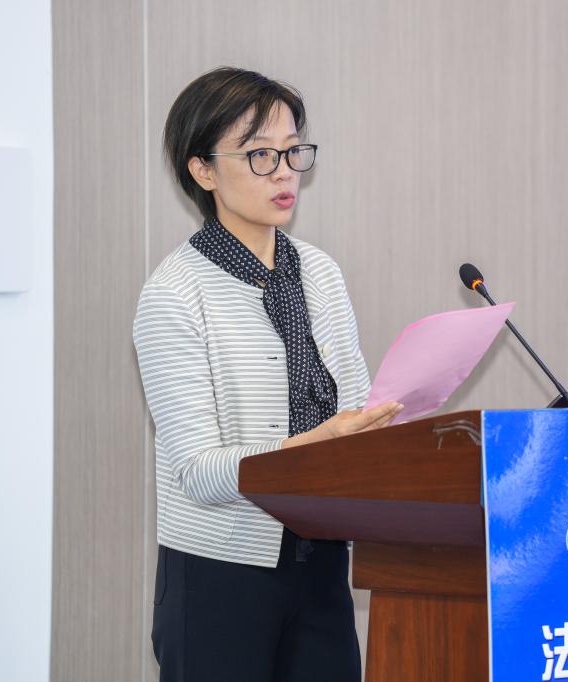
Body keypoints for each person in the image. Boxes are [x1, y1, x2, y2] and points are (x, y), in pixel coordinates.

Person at [133, 67, 402, 682]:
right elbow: (199, 472)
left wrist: (384, 422)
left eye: (292, 151)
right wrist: (305, 449)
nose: (285, 172)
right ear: (203, 170)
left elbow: (355, 408)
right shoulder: (174, 295)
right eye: (260, 155)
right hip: (219, 576)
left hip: (321, 560)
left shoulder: (321, 273)